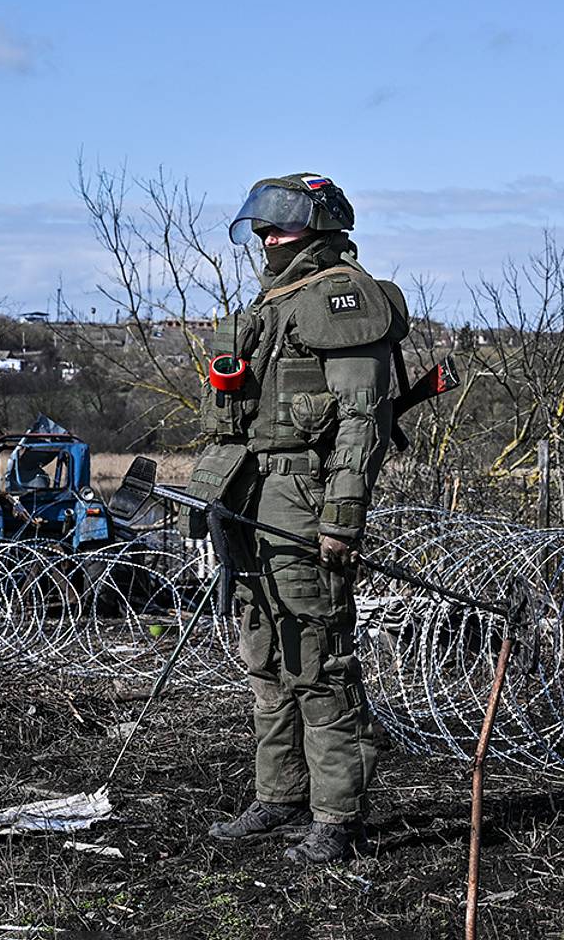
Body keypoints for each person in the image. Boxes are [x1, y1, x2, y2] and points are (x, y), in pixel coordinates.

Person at [186, 174, 406, 864]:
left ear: (321, 226)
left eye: (281, 224)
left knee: (317, 658)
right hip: (251, 494)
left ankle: (337, 816)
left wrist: (341, 516)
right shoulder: (276, 300)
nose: (266, 236)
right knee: (265, 653)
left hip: (302, 498)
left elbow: (360, 420)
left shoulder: (341, 298)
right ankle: (279, 795)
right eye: (261, 224)